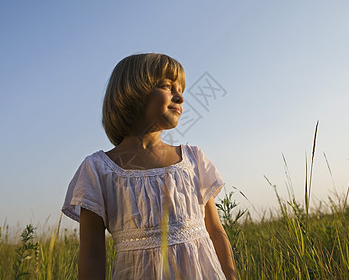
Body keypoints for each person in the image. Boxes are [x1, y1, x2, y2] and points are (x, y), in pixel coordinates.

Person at [62, 53, 237, 280]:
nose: (180, 97)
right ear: (132, 92)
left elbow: (215, 232)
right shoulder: (98, 170)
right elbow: (92, 254)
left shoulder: (192, 159)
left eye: (181, 89)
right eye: (167, 86)